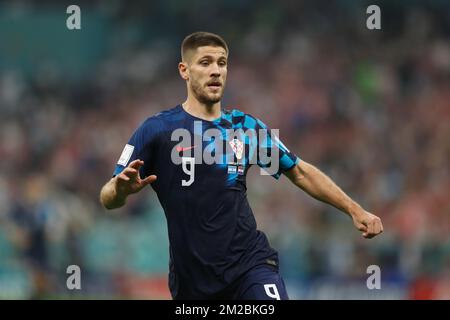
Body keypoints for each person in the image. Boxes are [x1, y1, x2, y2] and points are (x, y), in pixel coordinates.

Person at [99, 31, 383, 300]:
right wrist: (121, 190)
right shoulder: (157, 130)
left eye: (222, 63)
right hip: (192, 283)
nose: (216, 71)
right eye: (205, 62)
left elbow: (298, 171)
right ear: (184, 70)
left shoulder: (245, 128)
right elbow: (108, 198)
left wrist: (354, 209)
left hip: (250, 267)